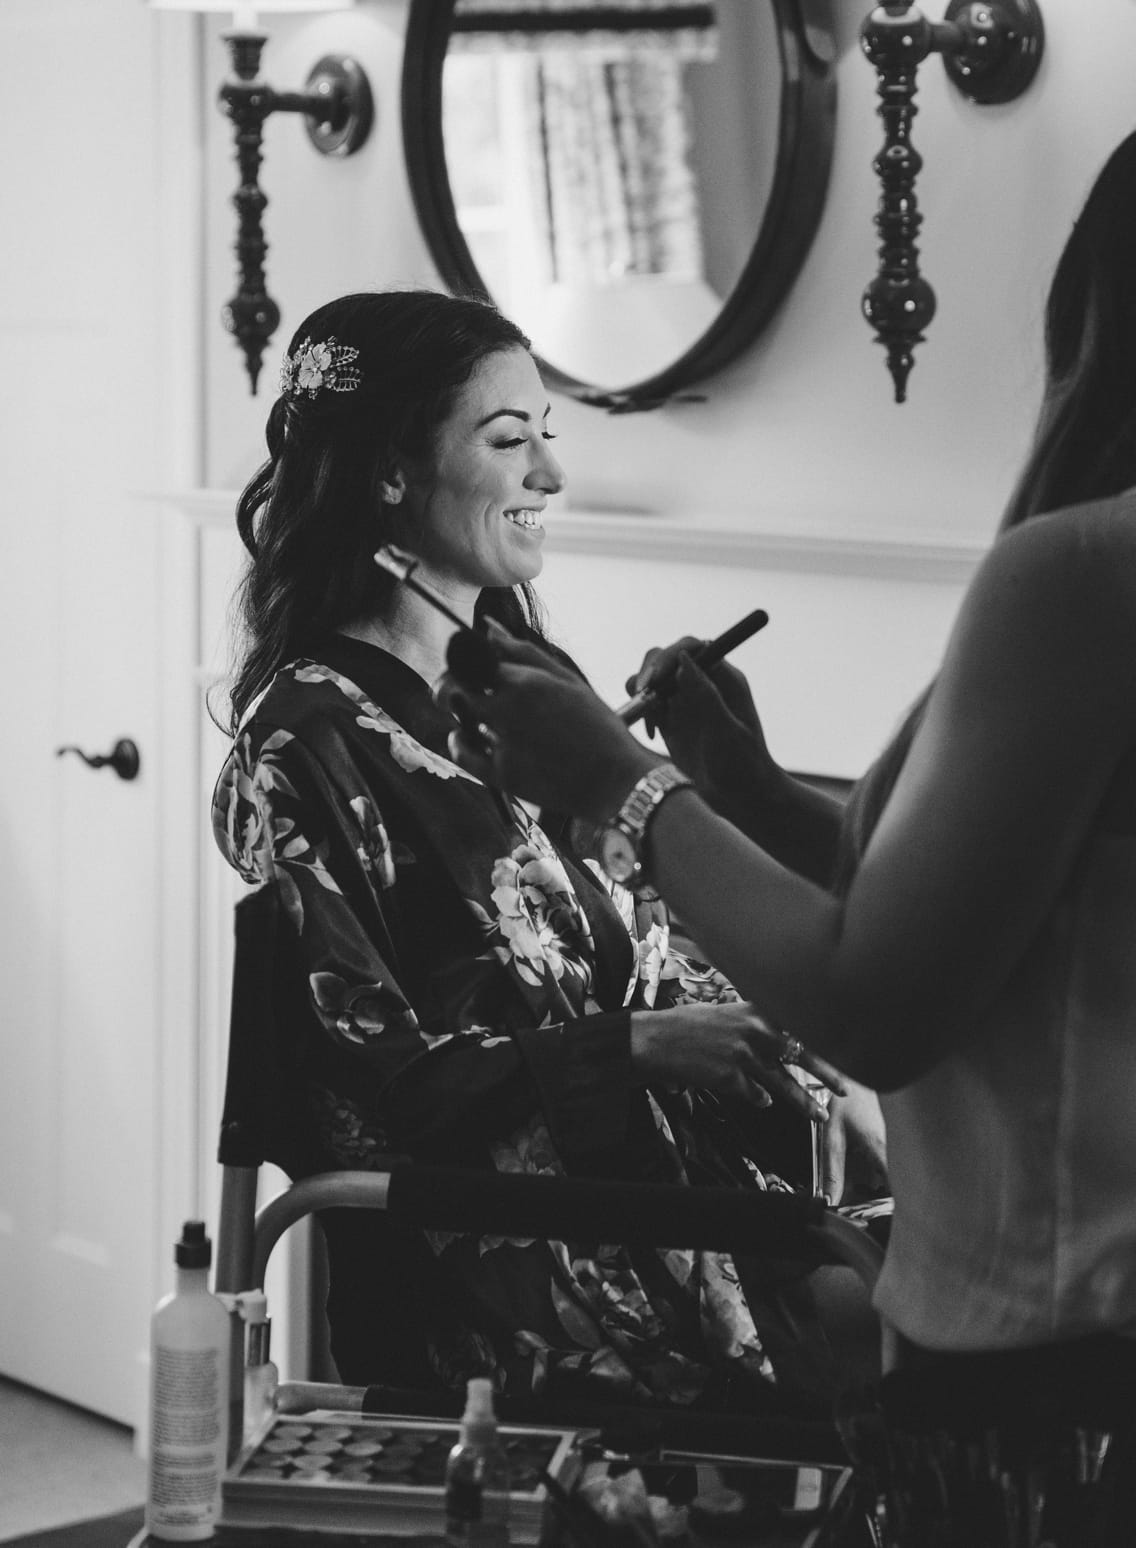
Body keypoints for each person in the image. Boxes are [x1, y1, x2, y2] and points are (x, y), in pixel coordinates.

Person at [440, 93, 1136, 1542]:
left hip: (1062, 1399)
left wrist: (620, 786)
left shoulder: (1110, 570)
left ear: (1123, 296)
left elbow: (876, 1008)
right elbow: (1029, 916)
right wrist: (741, 792)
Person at [211, 289, 885, 1413]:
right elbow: (365, 1093)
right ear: (387, 471)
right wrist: (634, 1046)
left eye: (547, 436)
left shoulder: (529, 693)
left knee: (967, 1297)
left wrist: (777, 1011)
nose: (550, 478)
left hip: (671, 1196)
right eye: (507, 440)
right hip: (513, 1259)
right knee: (917, 1355)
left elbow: (635, 936)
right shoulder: (303, 745)